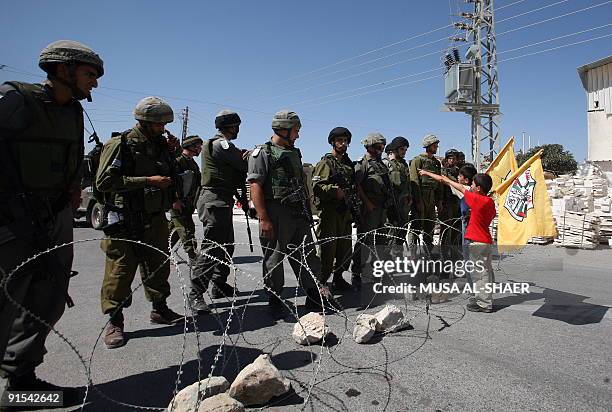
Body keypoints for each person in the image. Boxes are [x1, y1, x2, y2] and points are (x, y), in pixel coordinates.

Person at [0, 40, 103, 400]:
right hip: (11, 219)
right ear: (63, 69)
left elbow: (74, 159)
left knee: (49, 297)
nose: (95, 83)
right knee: (5, 300)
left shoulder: (73, 111)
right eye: (89, 74)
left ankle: (21, 382)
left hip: (54, 216)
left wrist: (73, 190)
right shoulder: (15, 99)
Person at [96, 96, 184, 349]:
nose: (163, 129)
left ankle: (160, 309)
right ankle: (115, 321)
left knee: (157, 265)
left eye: (165, 124)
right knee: (120, 271)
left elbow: (172, 174)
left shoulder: (160, 145)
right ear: (144, 122)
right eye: (158, 124)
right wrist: (147, 181)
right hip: (124, 219)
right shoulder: (120, 144)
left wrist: (173, 152)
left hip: (154, 217)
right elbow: (103, 183)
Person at [247, 110, 329, 314]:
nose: (298, 135)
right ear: (283, 130)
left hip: (298, 213)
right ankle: (274, 298)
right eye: (295, 131)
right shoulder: (262, 153)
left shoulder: (294, 152)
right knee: (274, 258)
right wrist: (264, 218)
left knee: (307, 255)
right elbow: (255, 186)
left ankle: (313, 294)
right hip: (275, 212)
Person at [189, 110, 248, 313]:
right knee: (212, 248)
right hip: (214, 200)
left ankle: (218, 284)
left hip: (222, 199)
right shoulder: (220, 144)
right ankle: (196, 293)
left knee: (226, 246)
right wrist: (249, 155)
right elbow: (242, 163)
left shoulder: (222, 145)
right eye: (237, 125)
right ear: (232, 126)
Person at [418, 170, 496, 313]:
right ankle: (481, 299)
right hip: (486, 240)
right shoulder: (490, 202)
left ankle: (484, 304)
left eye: (472, 184)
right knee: (485, 272)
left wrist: (426, 173)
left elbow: (445, 180)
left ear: (478, 188)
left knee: (480, 274)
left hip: (475, 241)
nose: (470, 186)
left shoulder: (475, 199)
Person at [312, 127, 355, 292]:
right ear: (333, 142)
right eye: (339, 141)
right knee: (327, 250)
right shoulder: (326, 163)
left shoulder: (347, 164)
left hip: (345, 212)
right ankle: (321, 282)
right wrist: (335, 191)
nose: (343, 144)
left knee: (345, 249)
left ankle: (338, 277)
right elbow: (317, 186)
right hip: (330, 212)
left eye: (345, 141)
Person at [351, 133, 390, 291]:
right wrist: (367, 203)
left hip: (381, 208)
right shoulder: (363, 164)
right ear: (371, 147)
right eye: (379, 146)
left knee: (380, 241)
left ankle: (376, 272)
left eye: (383, 146)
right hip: (369, 209)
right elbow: (357, 185)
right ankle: (357, 273)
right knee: (365, 242)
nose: (382, 149)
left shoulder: (381, 164)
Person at [169, 135, 203, 262]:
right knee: (186, 229)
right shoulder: (178, 161)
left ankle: (160, 251)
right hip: (178, 202)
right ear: (190, 147)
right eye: (198, 147)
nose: (199, 149)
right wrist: (175, 200)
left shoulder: (192, 163)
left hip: (188, 203)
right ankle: (193, 255)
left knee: (174, 230)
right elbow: (172, 183)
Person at [408, 134, 442, 254]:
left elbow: (439, 181)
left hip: (431, 196)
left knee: (430, 225)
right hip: (421, 195)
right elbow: (414, 181)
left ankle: (428, 251)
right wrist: (418, 201)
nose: (436, 147)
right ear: (428, 146)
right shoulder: (417, 161)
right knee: (416, 225)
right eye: (434, 145)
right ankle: (412, 253)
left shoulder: (436, 163)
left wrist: (439, 200)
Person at [383, 136, 412, 259]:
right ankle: (387, 260)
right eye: (402, 149)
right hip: (392, 205)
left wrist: (410, 196)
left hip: (403, 205)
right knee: (391, 234)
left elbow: (407, 182)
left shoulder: (404, 164)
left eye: (405, 149)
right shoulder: (387, 164)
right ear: (395, 149)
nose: (404, 152)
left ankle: (397, 258)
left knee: (401, 233)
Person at [439, 149, 462, 261]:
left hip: (456, 203)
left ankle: (454, 255)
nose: (452, 160)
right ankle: (444, 255)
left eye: (454, 158)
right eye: (450, 158)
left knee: (455, 230)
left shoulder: (458, 171)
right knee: (445, 229)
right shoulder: (443, 171)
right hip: (446, 203)